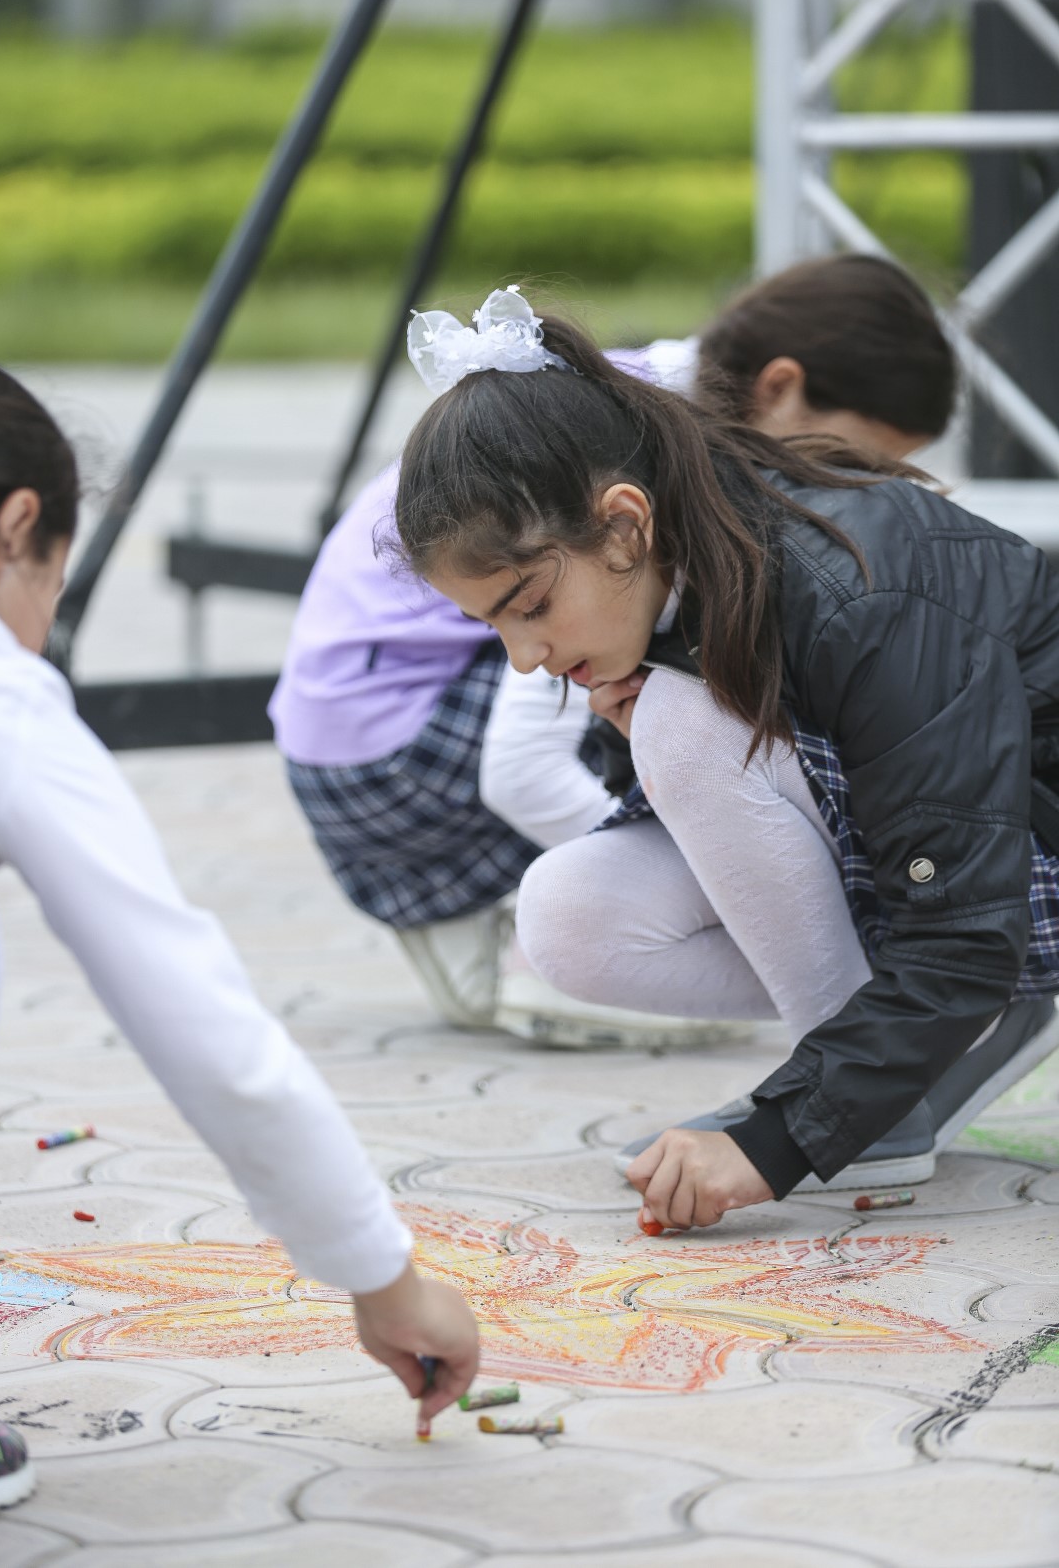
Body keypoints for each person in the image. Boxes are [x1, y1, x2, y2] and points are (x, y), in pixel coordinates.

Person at [391, 284, 1059, 1234]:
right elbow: (740, 822)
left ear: (625, 523)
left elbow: (963, 927)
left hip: (1020, 881)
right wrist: (626, 738)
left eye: (529, 605)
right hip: (951, 881)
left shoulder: (858, 587)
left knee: (681, 723)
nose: (525, 655)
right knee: (566, 917)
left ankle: (874, 1112)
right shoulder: (683, 565)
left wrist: (777, 1141)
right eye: (493, 626)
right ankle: (867, 1076)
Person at [0, 360, 477, 1513]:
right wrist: (382, 1274)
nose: (44, 624)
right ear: (14, 531)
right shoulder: (1, 707)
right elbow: (194, 1012)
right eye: (53, 579)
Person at [270, 257, 955, 1046]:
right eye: (850, 464)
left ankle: (493, 943)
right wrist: (741, 883)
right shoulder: (624, 459)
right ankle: (540, 950)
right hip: (392, 755)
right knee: (673, 691)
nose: (842, 495)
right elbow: (522, 766)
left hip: (346, 748)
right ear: (780, 388)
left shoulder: (618, 401)